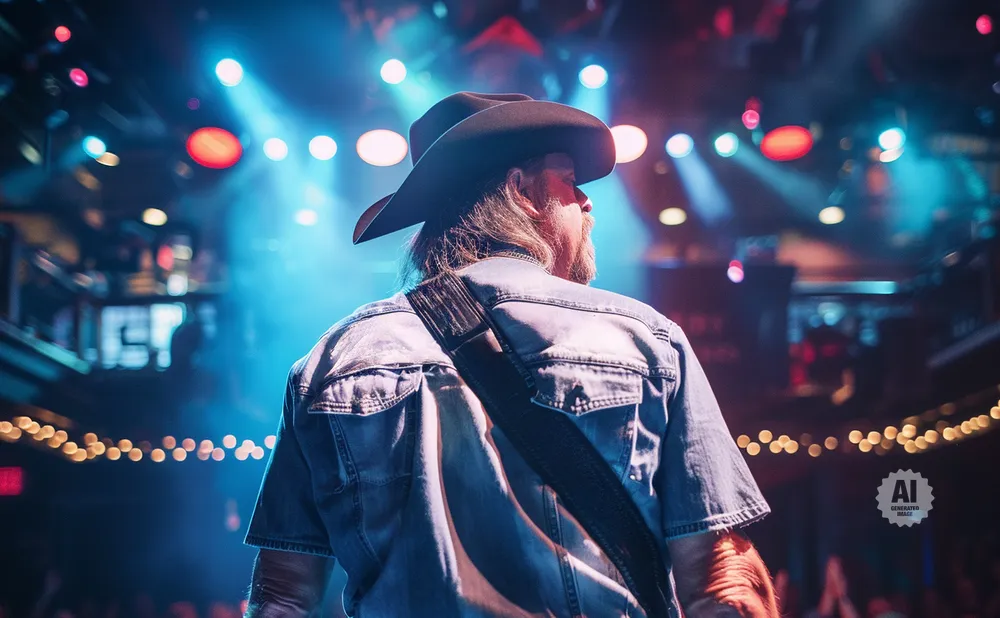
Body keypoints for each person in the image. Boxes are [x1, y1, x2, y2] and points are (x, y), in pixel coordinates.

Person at [243, 92, 776, 617]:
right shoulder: (645, 341)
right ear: (521, 190)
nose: (586, 203)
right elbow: (723, 589)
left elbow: (282, 597)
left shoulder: (333, 361)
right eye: (570, 181)